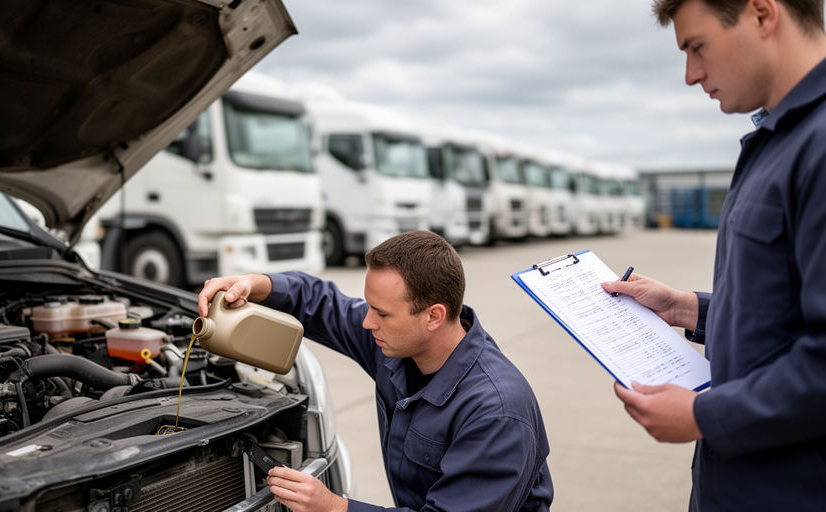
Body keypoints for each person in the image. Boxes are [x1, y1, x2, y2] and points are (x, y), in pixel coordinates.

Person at [603, 0, 826, 510]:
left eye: (697, 47)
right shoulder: (778, 140)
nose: (690, 74)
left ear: (762, 14)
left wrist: (705, 417)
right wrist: (689, 308)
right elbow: (783, 309)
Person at [197, 230, 553, 512]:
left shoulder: (497, 412)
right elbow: (320, 302)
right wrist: (255, 283)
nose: (367, 322)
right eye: (369, 307)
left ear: (434, 316)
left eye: (381, 314)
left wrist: (335, 508)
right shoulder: (399, 343)